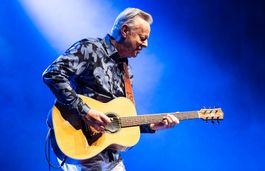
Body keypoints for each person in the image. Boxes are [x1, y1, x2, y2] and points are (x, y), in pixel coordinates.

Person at [43, 7, 179, 171]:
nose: (146, 44)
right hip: (83, 149)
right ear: (125, 31)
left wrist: (151, 126)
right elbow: (53, 74)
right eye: (143, 38)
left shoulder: (127, 72)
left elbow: (119, 121)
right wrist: (86, 111)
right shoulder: (90, 49)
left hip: (111, 155)